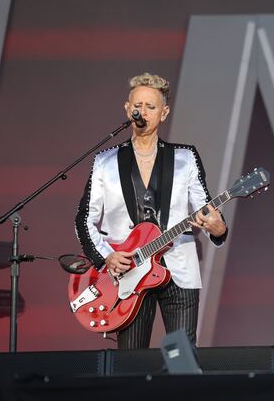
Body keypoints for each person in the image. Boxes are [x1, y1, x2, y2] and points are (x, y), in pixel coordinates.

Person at [75, 72, 228, 348]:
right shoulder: (105, 161)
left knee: (182, 356)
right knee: (131, 360)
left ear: (164, 113)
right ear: (127, 109)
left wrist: (218, 229)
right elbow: (84, 220)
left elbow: (205, 209)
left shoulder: (185, 157)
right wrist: (107, 257)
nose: (142, 112)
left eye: (150, 106)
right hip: (128, 273)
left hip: (179, 269)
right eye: (137, 106)